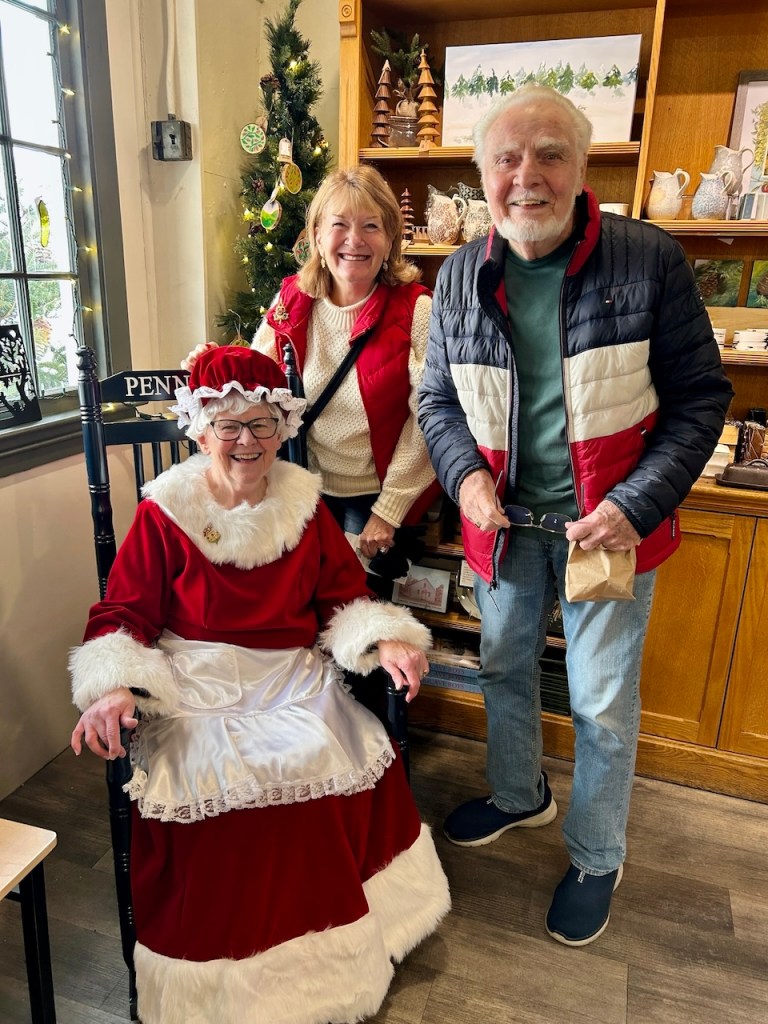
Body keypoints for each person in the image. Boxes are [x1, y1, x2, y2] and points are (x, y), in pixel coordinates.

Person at [418, 83, 733, 947]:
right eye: (506, 158)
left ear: (583, 166)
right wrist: (465, 481)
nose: (528, 176)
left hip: (610, 534)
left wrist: (634, 505)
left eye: (549, 154)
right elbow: (437, 400)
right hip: (505, 529)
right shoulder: (456, 275)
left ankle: (597, 853)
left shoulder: (648, 260)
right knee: (504, 672)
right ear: (481, 174)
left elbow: (701, 399)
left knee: (599, 703)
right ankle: (521, 796)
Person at [69, 346, 450, 1024]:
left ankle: (335, 963)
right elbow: (123, 612)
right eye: (229, 425)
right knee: (217, 791)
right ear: (200, 427)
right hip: (198, 681)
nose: (247, 441)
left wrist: (383, 635)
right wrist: (113, 685)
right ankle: (230, 988)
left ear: (284, 425)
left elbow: (341, 598)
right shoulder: (166, 514)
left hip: (291, 678)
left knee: (321, 758)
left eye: (262, 424)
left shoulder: (305, 507)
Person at [185, 165, 438, 571]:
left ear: (390, 239)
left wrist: (388, 510)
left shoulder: (416, 311)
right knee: (296, 599)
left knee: (357, 611)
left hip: (374, 497)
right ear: (318, 236)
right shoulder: (291, 300)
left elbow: (429, 421)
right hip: (299, 482)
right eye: (339, 225)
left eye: (371, 226)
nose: (354, 240)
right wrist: (211, 363)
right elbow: (254, 382)